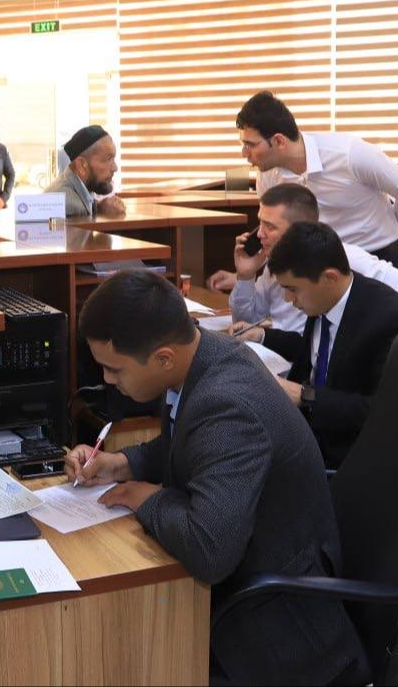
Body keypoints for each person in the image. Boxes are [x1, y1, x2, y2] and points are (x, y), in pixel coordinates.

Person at [66, 269, 366, 686]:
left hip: (275, 631)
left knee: (117, 656)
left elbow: (209, 550)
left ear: (163, 358)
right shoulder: (206, 353)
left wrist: (145, 497)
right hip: (249, 586)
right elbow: (189, 447)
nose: (107, 380)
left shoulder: (227, 404)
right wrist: (120, 464)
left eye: (114, 369)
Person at [236, 222, 398, 468]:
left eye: (292, 289)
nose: (289, 299)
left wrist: (304, 395)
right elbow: (318, 352)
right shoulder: (325, 298)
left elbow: (383, 411)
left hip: (347, 456)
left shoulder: (390, 321)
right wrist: (263, 336)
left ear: (329, 278)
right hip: (306, 432)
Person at [237, 91, 398, 266]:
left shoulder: (350, 154)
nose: (244, 153)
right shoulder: (267, 173)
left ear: (279, 141)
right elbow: (276, 230)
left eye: (250, 145)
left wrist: (391, 223)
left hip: (375, 256)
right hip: (318, 263)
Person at [208, 183, 398, 329]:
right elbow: (246, 322)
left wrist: (362, 331)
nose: (260, 234)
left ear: (301, 227)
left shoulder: (343, 258)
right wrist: (245, 276)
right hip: (289, 357)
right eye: (260, 223)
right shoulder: (273, 263)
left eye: (270, 226)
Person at [45, 126, 126, 217]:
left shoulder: (69, 187)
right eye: (108, 159)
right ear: (81, 165)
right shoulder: (71, 206)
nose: (115, 168)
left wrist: (98, 208)